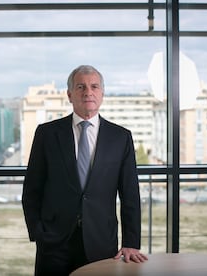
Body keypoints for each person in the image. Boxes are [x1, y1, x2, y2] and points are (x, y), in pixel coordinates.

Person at [22, 65, 148, 275]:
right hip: (54, 243)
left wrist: (131, 242)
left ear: (102, 93)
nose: (88, 92)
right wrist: (38, 232)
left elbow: (130, 196)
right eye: (81, 87)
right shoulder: (47, 134)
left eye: (94, 86)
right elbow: (31, 189)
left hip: (101, 242)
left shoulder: (120, 137)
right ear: (70, 94)